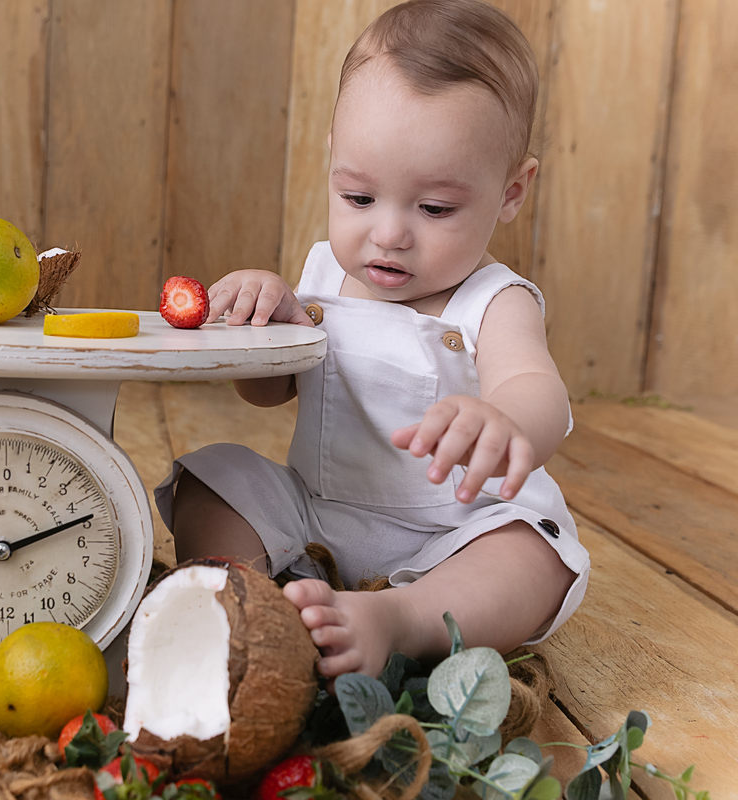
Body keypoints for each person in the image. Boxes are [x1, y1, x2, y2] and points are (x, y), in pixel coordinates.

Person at [154, 0, 590, 679]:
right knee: (216, 476)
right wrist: (265, 318)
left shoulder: (492, 301)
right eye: (359, 198)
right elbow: (267, 393)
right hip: (318, 515)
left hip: (454, 536)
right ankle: (241, 604)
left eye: (435, 208)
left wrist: (503, 421)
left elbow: (539, 389)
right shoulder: (323, 277)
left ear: (511, 191)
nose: (388, 234)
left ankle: (402, 619)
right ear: (334, 159)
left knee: (532, 554)